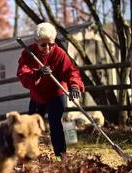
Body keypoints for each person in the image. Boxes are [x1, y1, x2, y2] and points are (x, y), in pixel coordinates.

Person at [17, 22, 85, 159]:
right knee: (32, 125)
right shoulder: (28, 53)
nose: (47, 47)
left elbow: (71, 71)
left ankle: (61, 155)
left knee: (55, 124)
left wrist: (74, 86)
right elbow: (23, 74)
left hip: (56, 94)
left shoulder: (59, 53)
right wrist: (38, 73)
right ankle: (28, 155)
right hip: (38, 95)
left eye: (51, 44)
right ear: (36, 42)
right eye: (43, 45)